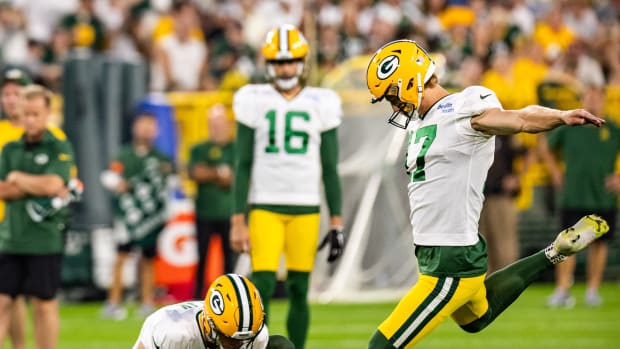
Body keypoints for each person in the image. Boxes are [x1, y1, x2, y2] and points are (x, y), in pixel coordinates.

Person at [364, 39, 609, 349]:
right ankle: (554, 252)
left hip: (449, 260)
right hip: (433, 252)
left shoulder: (465, 105)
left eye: (392, 96)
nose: (393, 105)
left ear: (411, 83)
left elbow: (519, 118)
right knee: (477, 319)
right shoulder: (421, 124)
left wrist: (559, 117)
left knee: (379, 347)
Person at [230, 24, 345, 349]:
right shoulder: (253, 98)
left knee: (299, 288)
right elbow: (243, 164)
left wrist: (336, 219)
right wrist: (238, 218)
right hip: (265, 204)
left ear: (302, 61)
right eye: (279, 62)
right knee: (262, 286)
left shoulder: (320, 101)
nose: (285, 68)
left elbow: (330, 168)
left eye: (291, 61)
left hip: (305, 206)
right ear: (269, 64)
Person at [0, 85, 76, 349]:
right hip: (11, 237)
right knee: (3, 301)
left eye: (36, 113)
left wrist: (19, 178)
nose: (31, 119)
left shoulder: (58, 145)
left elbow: (54, 184)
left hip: (45, 238)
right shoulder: (10, 149)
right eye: (27, 114)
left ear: (47, 113)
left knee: (43, 303)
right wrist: (36, 184)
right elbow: (3, 190)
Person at [542, 85, 620, 307]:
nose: (593, 100)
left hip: (603, 196)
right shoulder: (569, 127)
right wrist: (555, 172)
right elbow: (545, 147)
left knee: (600, 243)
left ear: (604, 101)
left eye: (597, 96)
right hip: (573, 194)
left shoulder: (613, 129)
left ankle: (592, 290)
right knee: (567, 243)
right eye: (589, 96)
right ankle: (562, 289)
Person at [100, 112, 173, 320]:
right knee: (121, 257)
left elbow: (168, 184)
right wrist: (117, 184)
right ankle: (113, 301)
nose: (146, 130)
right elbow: (109, 176)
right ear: (134, 128)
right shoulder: (124, 154)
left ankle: (147, 301)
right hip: (128, 215)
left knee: (148, 258)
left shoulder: (161, 158)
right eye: (143, 125)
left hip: (149, 217)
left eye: (150, 126)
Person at [133, 273, 295, 349]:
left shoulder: (257, 336)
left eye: (243, 340)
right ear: (210, 323)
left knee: (280, 346)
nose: (238, 346)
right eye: (230, 340)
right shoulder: (175, 333)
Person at [189, 104, 237, 299]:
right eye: (214, 124)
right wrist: (219, 173)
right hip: (205, 212)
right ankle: (197, 298)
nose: (217, 128)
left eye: (220, 123)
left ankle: (231, 298)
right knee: (202, 259)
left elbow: (236, 177)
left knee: (230, 261)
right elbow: (195, 173)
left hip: (230, 213)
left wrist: (210, 173)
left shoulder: (236, 148)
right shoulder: (199, 148)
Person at [479, 135, 530, 273]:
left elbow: (527, 153)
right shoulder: (473, 128)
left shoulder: (503, 131)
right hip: (476, 197)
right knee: (480, 245)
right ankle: (484, 287)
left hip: (500, 196)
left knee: (504, 246)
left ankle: (506, 284)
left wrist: (517, 178)